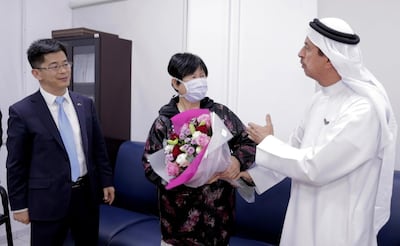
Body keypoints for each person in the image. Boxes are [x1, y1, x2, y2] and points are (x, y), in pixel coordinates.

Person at [239, 17, 398, 246]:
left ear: (330, 58)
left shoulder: (365, 109)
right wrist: (250, 177)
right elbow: (294, 150)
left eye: (307, 47)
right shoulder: (319, 100)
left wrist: (268, 142)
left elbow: (315, 166)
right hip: (302, 221)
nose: (300, 54)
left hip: (339, 230)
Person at [6, 38, 115, 246]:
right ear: (36, 73)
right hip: (47, 200)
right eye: (54, 66)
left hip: (85, 195)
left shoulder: (85, 103)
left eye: (66, 63)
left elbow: (98, 148)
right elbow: (16, 164)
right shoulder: (22, 111)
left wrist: (107, 180)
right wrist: (18, 205)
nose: (63, 71)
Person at [142, 52, 256, 245]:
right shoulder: (164, 122)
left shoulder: (219, 113)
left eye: (202, 76)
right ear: (176, 84)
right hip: (178, 223)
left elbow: (248, 142)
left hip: (217, 219)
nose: (200, 81)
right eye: (193, 77)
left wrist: (236, 161)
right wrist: (183, 177)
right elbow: (149, 165)